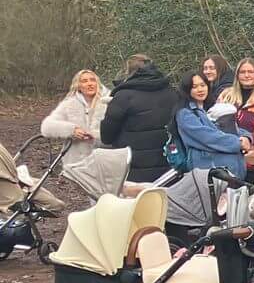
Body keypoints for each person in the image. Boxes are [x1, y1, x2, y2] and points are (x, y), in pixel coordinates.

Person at [39, 68, 130, 200]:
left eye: (92, 80)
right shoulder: (69, 104)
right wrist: (71, 130)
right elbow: (46, 126)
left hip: (106, 160)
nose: (89, 84)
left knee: (108, 198)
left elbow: (120, 130)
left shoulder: (110, 101)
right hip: (78, 166)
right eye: (84, 81)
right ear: (78, 86)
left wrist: (96, 135)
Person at [99, 55, 179, 183]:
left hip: (133, 166)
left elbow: (106, 136)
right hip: (168, 164)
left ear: (128, 71)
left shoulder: (123, 96)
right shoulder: (172, 92)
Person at [174, 72, 248, 176]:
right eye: (194, 87)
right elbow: (208, 138)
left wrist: (246, 137)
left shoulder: (212, 108)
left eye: (203, 85)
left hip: (230, 172)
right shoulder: (185, 114)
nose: (200, 89)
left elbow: (232, 127)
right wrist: (238, 143)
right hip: (210, 174)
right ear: (187, 90)